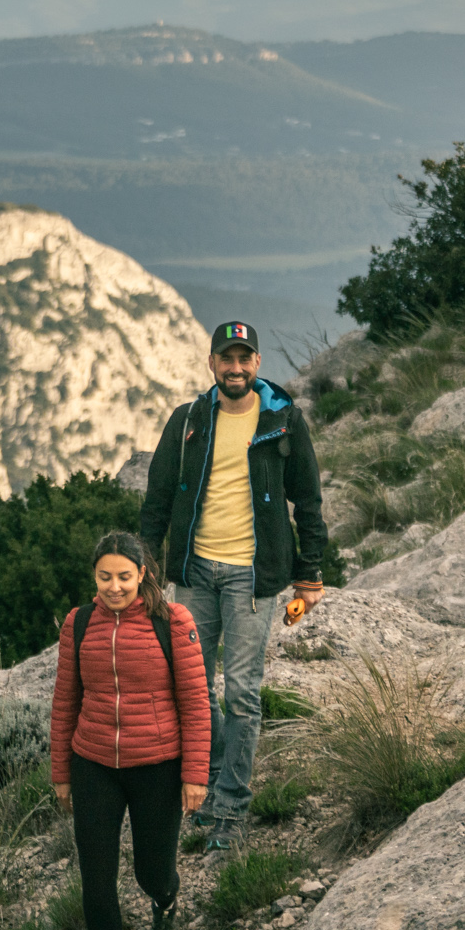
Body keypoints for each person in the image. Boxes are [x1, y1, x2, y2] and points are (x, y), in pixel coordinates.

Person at [139, 320, 325, 851]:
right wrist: (145, 570)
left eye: (245, 358)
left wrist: (309, 575)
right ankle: (208, 786)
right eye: (227, 358)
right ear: (212, 363)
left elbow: (307, 501)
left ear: (258, 365)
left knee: (241, 692)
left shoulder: (283, 420)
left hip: (253, 577)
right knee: (194, 687)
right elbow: (156, 502)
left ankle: (233, 807)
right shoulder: (189, 420)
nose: (236, 367)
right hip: (194, 573)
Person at [49, 532, 211, 930]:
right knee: (97, 882)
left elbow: (197, 702)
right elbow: (65, 701)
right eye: (105, 577)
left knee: (151, 872)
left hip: (157, 766)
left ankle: (166, 901)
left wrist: (195, 774)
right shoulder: (78, 623)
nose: (114, 587)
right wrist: (61, 772)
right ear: (94, 577)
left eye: (124, 576)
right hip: (93, 764)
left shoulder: (172, 621)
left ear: (143, 574)